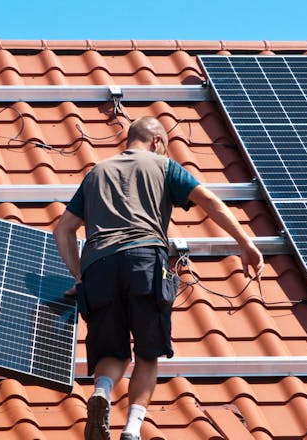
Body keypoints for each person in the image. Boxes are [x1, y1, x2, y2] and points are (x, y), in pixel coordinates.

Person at [54, 117, 263, 440]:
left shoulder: (96, 173)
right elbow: (208, 201)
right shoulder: (163, 166)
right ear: (156, 140)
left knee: (111, 352)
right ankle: (132, 429)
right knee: (147, 352)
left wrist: (80, 275)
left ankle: (103, 391)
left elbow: (63, 229)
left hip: (99, 266)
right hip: (144, 260)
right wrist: (244, 243)